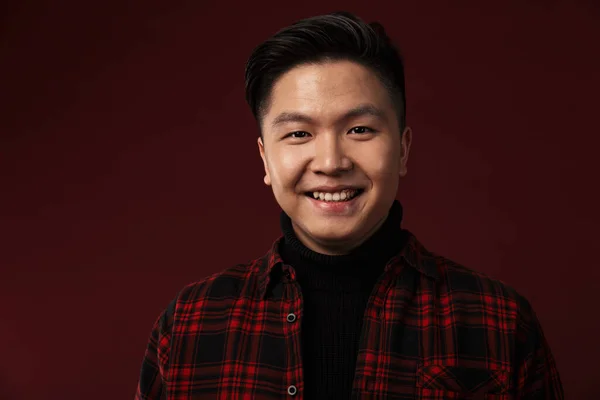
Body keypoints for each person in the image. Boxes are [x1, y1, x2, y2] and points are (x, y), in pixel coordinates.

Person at [134, 11, 563, 399]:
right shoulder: (191, 322)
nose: (331, 163)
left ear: (403, 150)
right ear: (265, 158)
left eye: (359, 129)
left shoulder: (499, 322)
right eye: (299, 134)